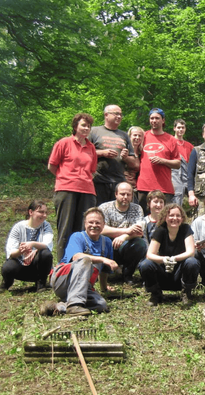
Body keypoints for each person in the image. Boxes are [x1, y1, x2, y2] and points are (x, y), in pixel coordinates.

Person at [40, 208, 117, 317]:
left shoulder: (107, 242)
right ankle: (74, 305)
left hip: (84, 286)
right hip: (62, 281)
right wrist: (103, 259)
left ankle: (58, 307)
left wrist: (104, 288)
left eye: (97, 223)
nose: (94, 225)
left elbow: (104, 270)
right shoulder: (77, 237)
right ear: (85, 224)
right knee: (85, 260)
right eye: (90, 222)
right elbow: (76, 257)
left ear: (104, 224)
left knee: (101, 305)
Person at [48, 112, 97, 262]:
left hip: (87, 191)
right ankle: (63, 266)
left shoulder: (91, 147)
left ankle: (79, 264)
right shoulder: (64, 143)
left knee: (82, 229)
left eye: (89, 126)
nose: (86, 128)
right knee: (65, 229)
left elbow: (92, 170)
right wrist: (66, 178)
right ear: (75, 127)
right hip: (66, 190)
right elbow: (52, 166)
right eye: (83, 125)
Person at [139, 203, 199, 306]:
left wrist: (174, 258)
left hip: (180, 274)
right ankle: (155, 293)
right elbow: (149, 254)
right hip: (163, 273)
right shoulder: (160, 230)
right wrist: (164, 259)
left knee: (192, 262)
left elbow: (191, 252)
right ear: (165, 217)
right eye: (171, 215)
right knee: (145, 264)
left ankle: (186, 292)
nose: (175, 218)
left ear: (182, 218)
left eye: (178, 215)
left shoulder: (185, 229)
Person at [0, 200, 54, 293]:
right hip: (20, 266)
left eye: (46, 212)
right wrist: (20, 251)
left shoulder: (46, 226)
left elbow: (47, 244)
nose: (44, 215)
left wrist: (32, 245)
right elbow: (11, 252)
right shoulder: (18, 227)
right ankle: (6, 283)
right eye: (41, 212)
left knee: (46, 254)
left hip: (37, 266)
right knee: (7, 267)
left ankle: (41, 283)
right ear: (31, 212)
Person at [99, 182, 148, 284]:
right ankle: (105, 273)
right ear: (116, 194)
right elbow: (101, 229)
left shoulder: (137, 209)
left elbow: (139, 232)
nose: (125, 197)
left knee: (140, 244)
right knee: (101, 241)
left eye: (128, 194)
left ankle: (127, 274)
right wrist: (126, 231)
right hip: (108, 244)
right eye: (122, 194)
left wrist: (123, 237)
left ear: (132, 196)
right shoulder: (104, 207)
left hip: (127, 243)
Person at [90, 105, 136, 206]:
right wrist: (102, 153)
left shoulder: (124, 135)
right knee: (98, 211)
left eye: (120, 114)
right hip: (98, 181)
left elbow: (134, 163)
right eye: (116, 114)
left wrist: (126, 158)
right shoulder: (94, 131)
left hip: (118, 182)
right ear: (106, 115)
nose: (119, 117)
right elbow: (83, 153)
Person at [137, 108, 181, 213]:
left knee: (164, 217)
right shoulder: (143, 136)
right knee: (142, 217)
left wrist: (163, 161)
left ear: (163, 120)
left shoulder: (171, 139)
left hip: (164, 187)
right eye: (152, 118)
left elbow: (178, 163)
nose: (154, 121)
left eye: (157, 118)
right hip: (144, 186)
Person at [171, 119, 194, 207]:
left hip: (186, 173)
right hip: (174, 174)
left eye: (183, 128)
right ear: (174, 128)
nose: (180, 130)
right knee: (177, 197)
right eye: (178, 127)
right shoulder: (169, 142)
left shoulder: (189, 146)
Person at [125, 126, 144, 199]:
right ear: (129, 136)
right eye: (135, 135)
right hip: (123, 186)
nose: (137, 137)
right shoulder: (125, 150)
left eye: (140, 136)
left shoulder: (141, 154)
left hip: (134, 188)